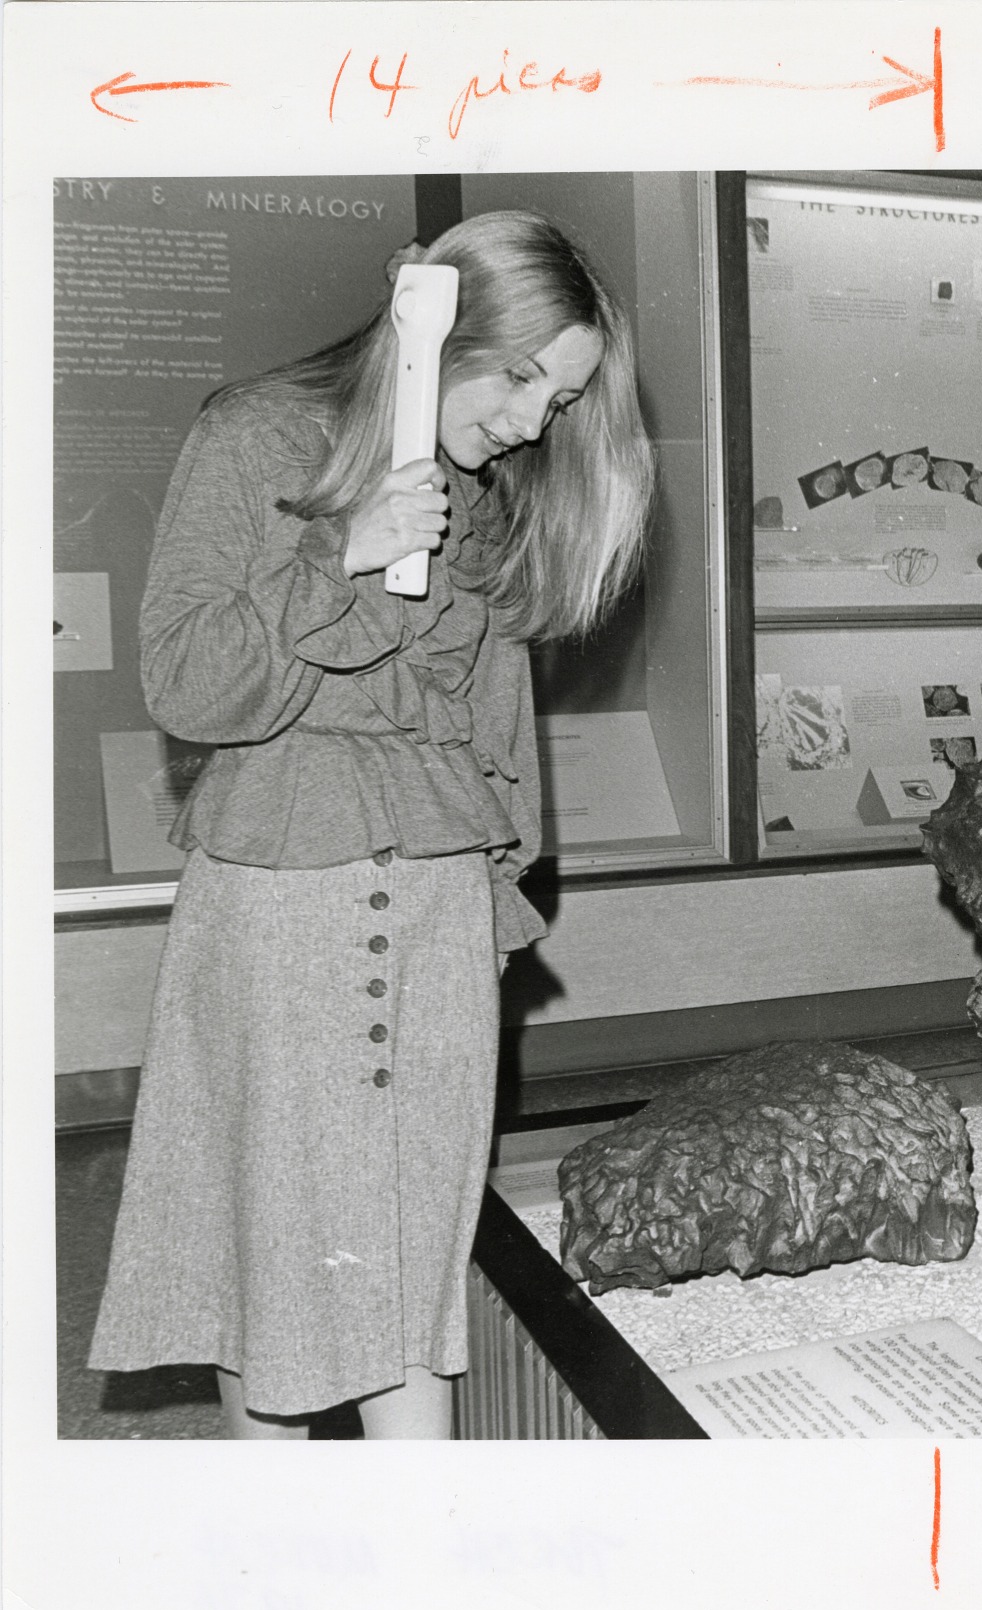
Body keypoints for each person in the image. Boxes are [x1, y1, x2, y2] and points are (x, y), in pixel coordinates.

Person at [87, 211, 653, 1439]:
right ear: (442, 330)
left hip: (441, 905)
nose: (530, 423)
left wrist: (497, 895)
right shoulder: (255, 434)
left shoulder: (479, 495)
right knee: (277, 1252)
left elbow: (494, 727)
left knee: (415, 1252)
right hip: (281, 897)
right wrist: (339, 552)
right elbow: (186, 685)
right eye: (519, 377)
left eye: (558, 402)